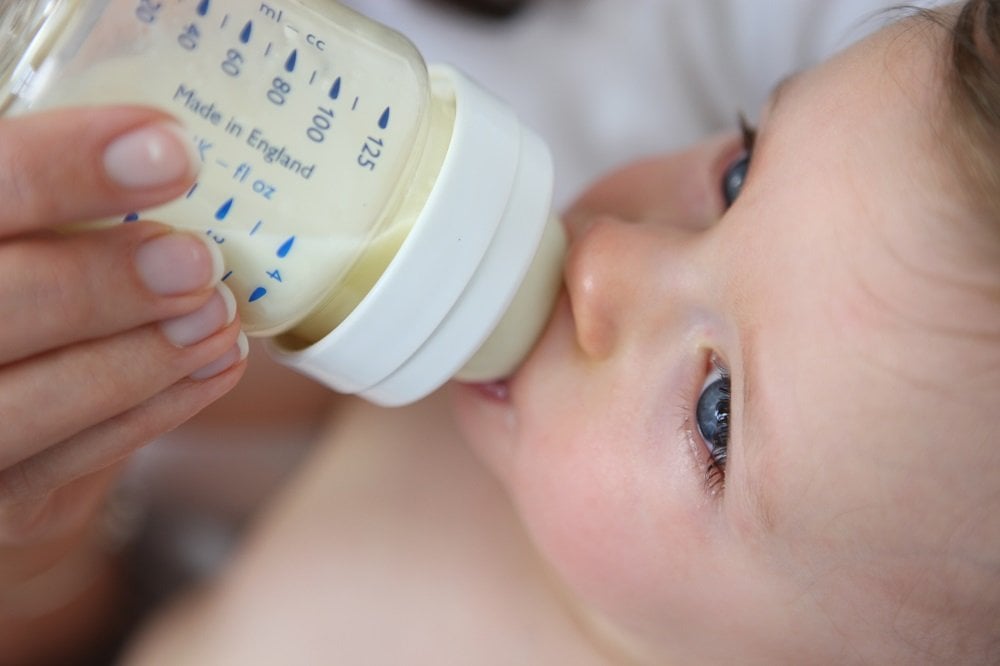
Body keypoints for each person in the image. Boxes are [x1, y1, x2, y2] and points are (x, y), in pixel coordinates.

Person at [1, 0, 997, 664]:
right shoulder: (473, 417)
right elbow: (189, 401)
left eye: (717, 411)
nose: (606, 258)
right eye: (736, 176)